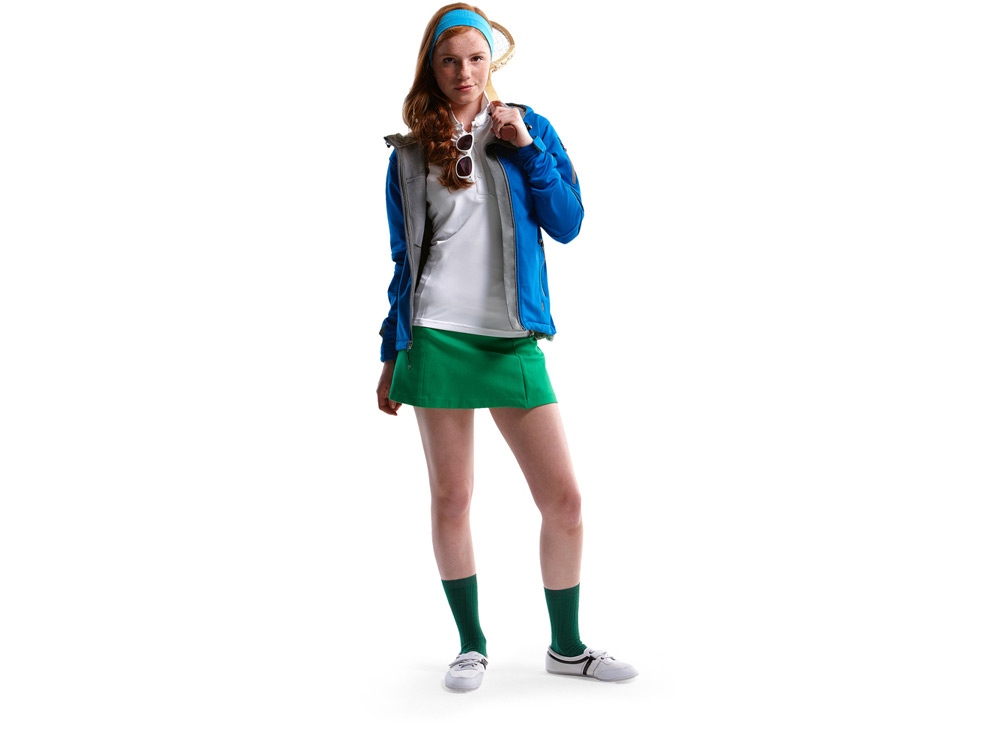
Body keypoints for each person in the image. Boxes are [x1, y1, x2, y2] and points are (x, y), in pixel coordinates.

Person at [376, 2, 637, 691]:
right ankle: (471, 646)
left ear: (492, 61)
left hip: (511, 337)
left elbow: (568, 223)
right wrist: (389, 353)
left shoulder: (528, 126)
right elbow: (404, 261)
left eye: (475, 59)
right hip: (434, 334)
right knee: (453, 499)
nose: (464, 72)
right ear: (431, 68)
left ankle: (567, 647)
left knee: (565, 501)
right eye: (449, 60)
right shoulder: (409, 153)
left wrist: (525, 149)